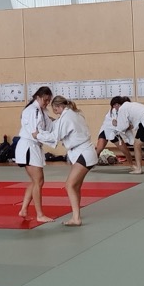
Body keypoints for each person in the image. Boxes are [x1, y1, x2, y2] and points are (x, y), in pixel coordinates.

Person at [38, 96, 96, 227]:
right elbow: (60, 124)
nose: (56, 113)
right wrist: (51, 121)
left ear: (58, 107)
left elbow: (55, 137)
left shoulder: (67, 117)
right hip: (86, 152)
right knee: (76, 186)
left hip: (83, 153)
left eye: (55, 110)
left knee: (69, 185)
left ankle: (76, 218)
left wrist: (38, 135)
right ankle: (76, 215)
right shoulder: (74, 113)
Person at [16, 86, 54, 222]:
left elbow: (50, 125)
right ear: (38, 97)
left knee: (36, 181)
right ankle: (39, 215)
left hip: (34, 147)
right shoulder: (32, 110)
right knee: (38, 181)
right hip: (28, 147)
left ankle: (23, 209)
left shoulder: (41, 111)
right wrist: (52, 140)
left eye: (49, 101)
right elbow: (34, 133)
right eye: (45, 100)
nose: (47, 103)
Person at [112, 96, 144, 174]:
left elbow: (123, 126)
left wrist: (116, 125)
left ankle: (138, 169)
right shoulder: (133, 105)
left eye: (114, 106)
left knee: (137, 145)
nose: (114, 109)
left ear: (117, 104)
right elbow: (131, 125)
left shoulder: (122, 108)